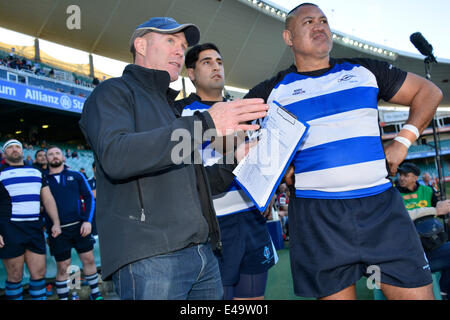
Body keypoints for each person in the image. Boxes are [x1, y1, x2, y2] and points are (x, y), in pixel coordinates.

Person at [245, 3, 443, 300]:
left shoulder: (364, 71)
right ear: (289, 38)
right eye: (308, 21)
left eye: (324, 20)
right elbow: (231, 136)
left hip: (381, 209)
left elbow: (429, 91)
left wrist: (403, 140)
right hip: (317, 216)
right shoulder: (271, 91)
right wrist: (274, 165)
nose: (319, 26)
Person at [79, 17, 268, 300]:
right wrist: (205, 123)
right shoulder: (112, 92)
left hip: (203, 253)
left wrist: (235, 159)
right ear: (140, 45)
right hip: (150, 257)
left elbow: (197, 182)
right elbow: (116, 156)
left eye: (183, 45)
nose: (180, 50)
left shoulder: (172, 110)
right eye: (171, 41)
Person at [175, 43, 276, 300]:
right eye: (206, 62)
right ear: (191, 73)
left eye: (219, 61)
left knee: (254, 301)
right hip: (215, 224)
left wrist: (269, 189)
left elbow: (262, 155)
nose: (216, 66)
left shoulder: (243, 109)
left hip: (251, 216)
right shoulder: (182, 114)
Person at [0, 139, 61, 300]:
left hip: (34, 228)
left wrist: (56, 223)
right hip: (9, 229)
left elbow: (48, 200)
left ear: (22, 151)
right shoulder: (0, 173)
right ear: (4, 153)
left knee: (38, 274)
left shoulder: (36, 172)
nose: (15, 149)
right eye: (10, 147)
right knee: (14, 276)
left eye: (17, 147)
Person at [44, 146, 102, 300]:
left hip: (79, 227)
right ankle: (68, 296)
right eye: (50, 154)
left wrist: (87, 221)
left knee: (88, 260)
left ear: (63, 157)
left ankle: (95, 294)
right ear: (46, 158)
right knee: (64, 267)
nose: (54, 156)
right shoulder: (43, 179)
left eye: (57, 153)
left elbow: (89, 197)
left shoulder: (76, 175)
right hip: (58, 230)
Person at [396, 162, 450, 299]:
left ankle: (444, 290)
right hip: (408, 247)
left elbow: (442, 212)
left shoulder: (427, 191)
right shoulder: (394, 194)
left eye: (405, 175)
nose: (401, 178)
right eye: (400, 175)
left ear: (415, 177)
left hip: (432, 241)